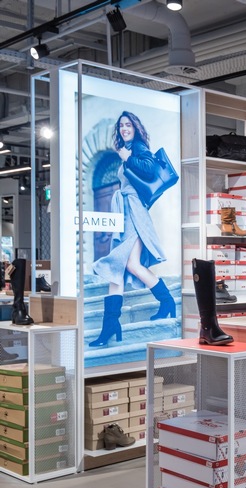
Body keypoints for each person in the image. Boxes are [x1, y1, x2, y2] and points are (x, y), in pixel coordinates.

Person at [89, 111, 175, 347]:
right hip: (126, 210)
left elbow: (149, 169)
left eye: (128, 125)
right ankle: (111, 325)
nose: (124, 128)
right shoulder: (127, 148)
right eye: (121, 125)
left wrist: (128, 158)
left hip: (134, 212)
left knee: (128, 264)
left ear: (136, 128)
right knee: (120, 267)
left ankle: (166, 301)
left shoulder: (137, 147)